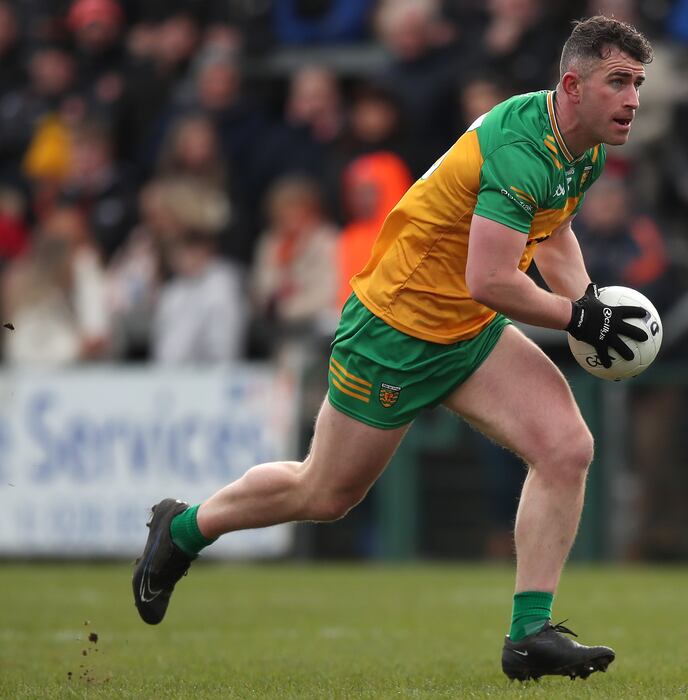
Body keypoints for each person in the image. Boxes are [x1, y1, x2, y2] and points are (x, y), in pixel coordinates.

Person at [132, 15, 653, 682]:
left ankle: (529, 636)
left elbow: (550, 235)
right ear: (572, 85)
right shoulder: (522, 145)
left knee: (567, 447)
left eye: (637, 82)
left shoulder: (586, 144)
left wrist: (590, 305)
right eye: (618, 82)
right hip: (395, 329)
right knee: (324, 492)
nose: (633, 99)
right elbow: (491, 279)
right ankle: (181, 530)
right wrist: (581, 320)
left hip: (466, 328)